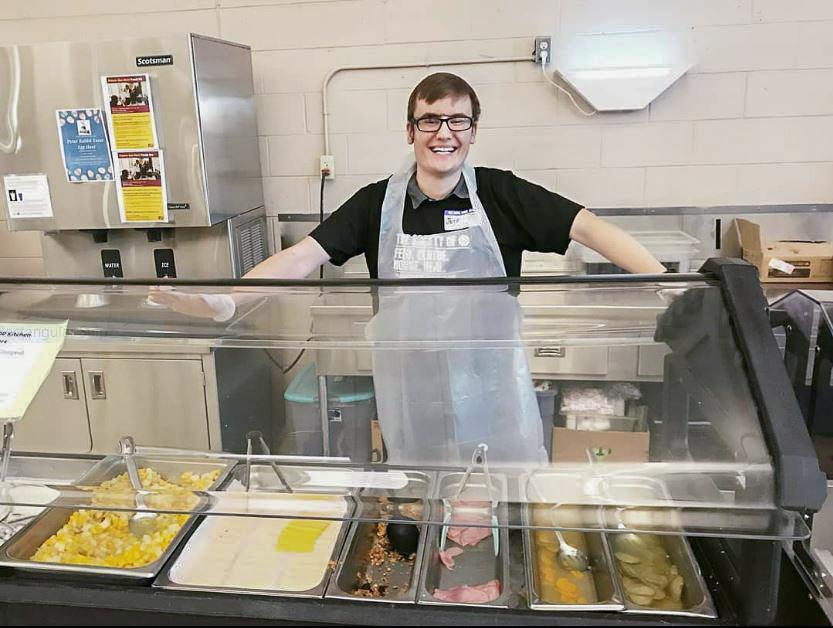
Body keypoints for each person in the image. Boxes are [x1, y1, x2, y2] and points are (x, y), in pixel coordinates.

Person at [154, 72, 664, 466]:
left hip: (489, 387)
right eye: (430, 120)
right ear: (410, 130)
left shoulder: (504, 194)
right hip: (411, 388)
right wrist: (227, 300)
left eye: (457, 120)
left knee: (496, 499)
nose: (444, 133)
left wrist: (670, 285)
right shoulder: (376, 204)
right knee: (425, 493)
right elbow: (301, 257)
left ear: (473, 131)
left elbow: (590, 229)